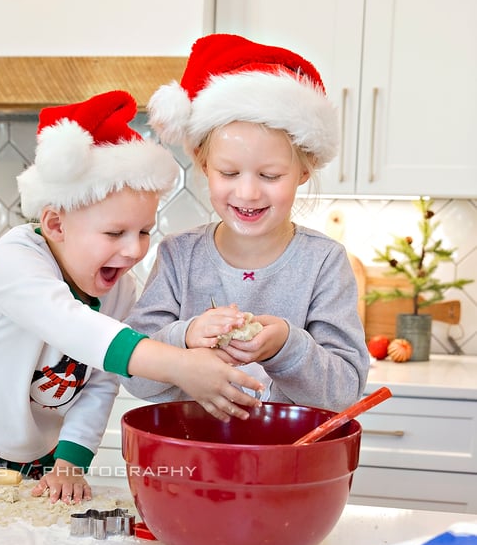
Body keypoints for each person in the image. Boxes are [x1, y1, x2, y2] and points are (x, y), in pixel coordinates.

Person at [0, 90, 262, 504]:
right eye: (114, 233)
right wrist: (181, 367)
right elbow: (75, 327)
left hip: (41, 447)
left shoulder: (120, 290)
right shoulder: (16, 260)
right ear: (55, 223)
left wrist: (70, 462)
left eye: (143, 231)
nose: (136, 250)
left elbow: (100, 384)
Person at [122, 33, 370, 411]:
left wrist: (288, 346)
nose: (249, 193)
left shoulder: (323, 263)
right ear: (204, 165)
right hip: (192, 458)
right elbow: (133, 375)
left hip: (290, 463)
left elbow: (344, 391)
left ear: (304, 171)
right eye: (229, 172)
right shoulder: (178, 256)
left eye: (270, 176)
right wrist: (186, 338)